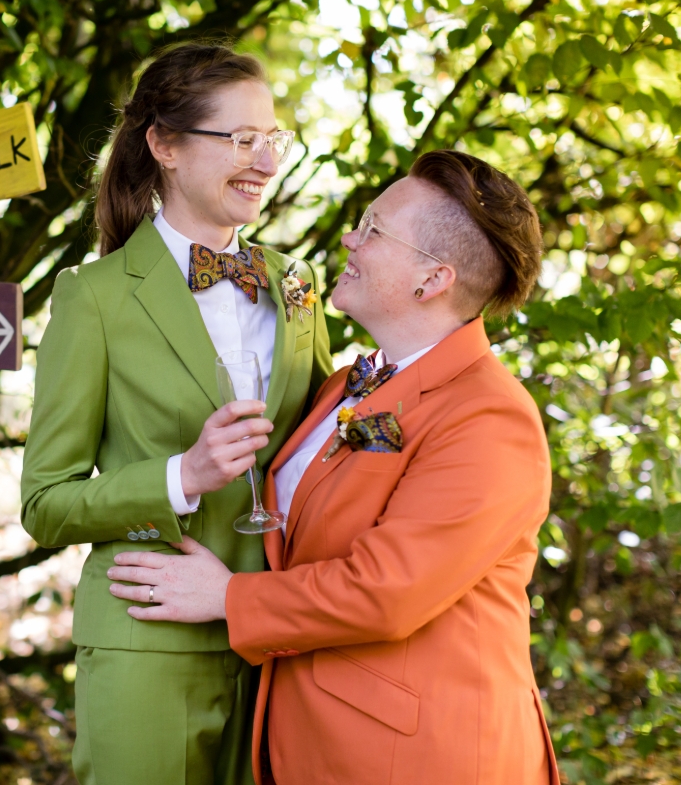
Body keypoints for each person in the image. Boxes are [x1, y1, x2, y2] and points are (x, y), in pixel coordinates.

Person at [106, 149, 560, 785]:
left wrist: (228, 597)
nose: (350, 236)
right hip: (319, 743)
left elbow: (385, 592)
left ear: (432, 280)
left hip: (423, 760)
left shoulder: (490, 419)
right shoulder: (348, 383)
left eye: (374, 229)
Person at [20, 42, 333, 785]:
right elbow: (44, 504)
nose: (263, 159)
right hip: (144, 637)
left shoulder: (299, 285)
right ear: (163, 145)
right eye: (239, 139)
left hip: (276, 637)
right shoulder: (90, 297)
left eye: (271, 139)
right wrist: (179, 476)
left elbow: (321, 447)